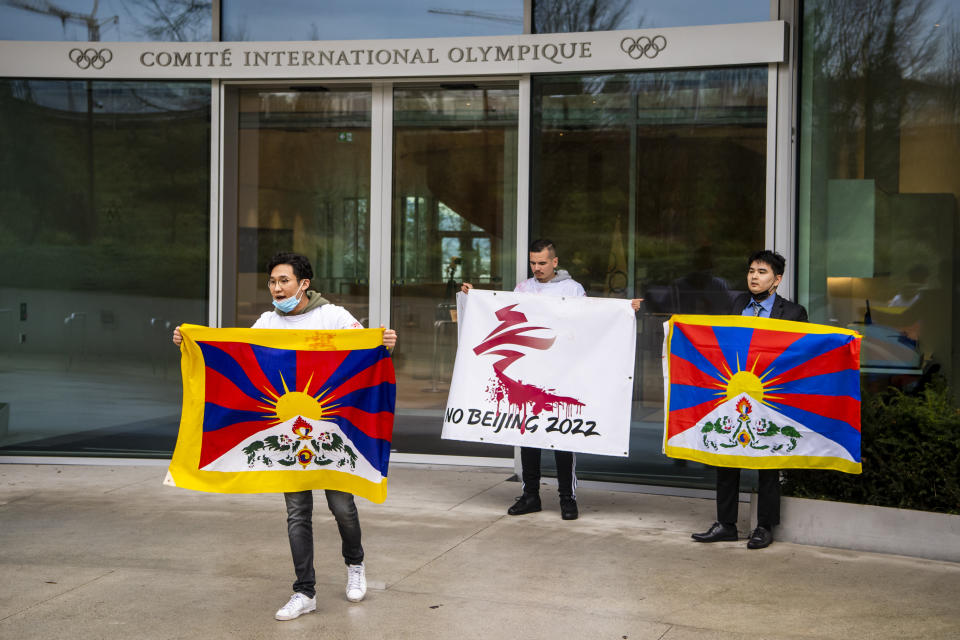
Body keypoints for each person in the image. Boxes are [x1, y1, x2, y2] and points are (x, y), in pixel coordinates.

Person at [173, 252, 398, 621]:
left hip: (330, 434)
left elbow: (369, 353)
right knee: (297, 513)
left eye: (284, 281)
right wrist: (190, 341)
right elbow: (237, 356)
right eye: (272, 282)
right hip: (286, 438)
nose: (277, 289)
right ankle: (304, 591)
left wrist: (385, 342)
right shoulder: (266, 322)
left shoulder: (334, 317)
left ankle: (355, 565)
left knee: (342, 507)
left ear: (304, 284)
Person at [462, 239, 641, 520]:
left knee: (563, 435)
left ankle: (567, 498)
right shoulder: (523, 288)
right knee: (528, 433)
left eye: (542, 263)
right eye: (533, 263)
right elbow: (504, 315)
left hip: (562, 373)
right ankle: (530, 494)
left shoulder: (572, 290)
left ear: (555, 262)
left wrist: (623, 310)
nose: (537, 268)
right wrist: (475, 296)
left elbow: (591, 319)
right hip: (529, 373)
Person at [692, 250, 807, 550]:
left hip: (770, 397)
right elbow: (715, 337)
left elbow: (800, 357)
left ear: (777, 280)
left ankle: (764, 527)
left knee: (767, 458)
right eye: (751, 271)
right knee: (726, 455)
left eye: (762, 272)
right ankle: (726, 524)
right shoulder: (736, 304)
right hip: (735, 391)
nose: (754, 277)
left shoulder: (794, 313)